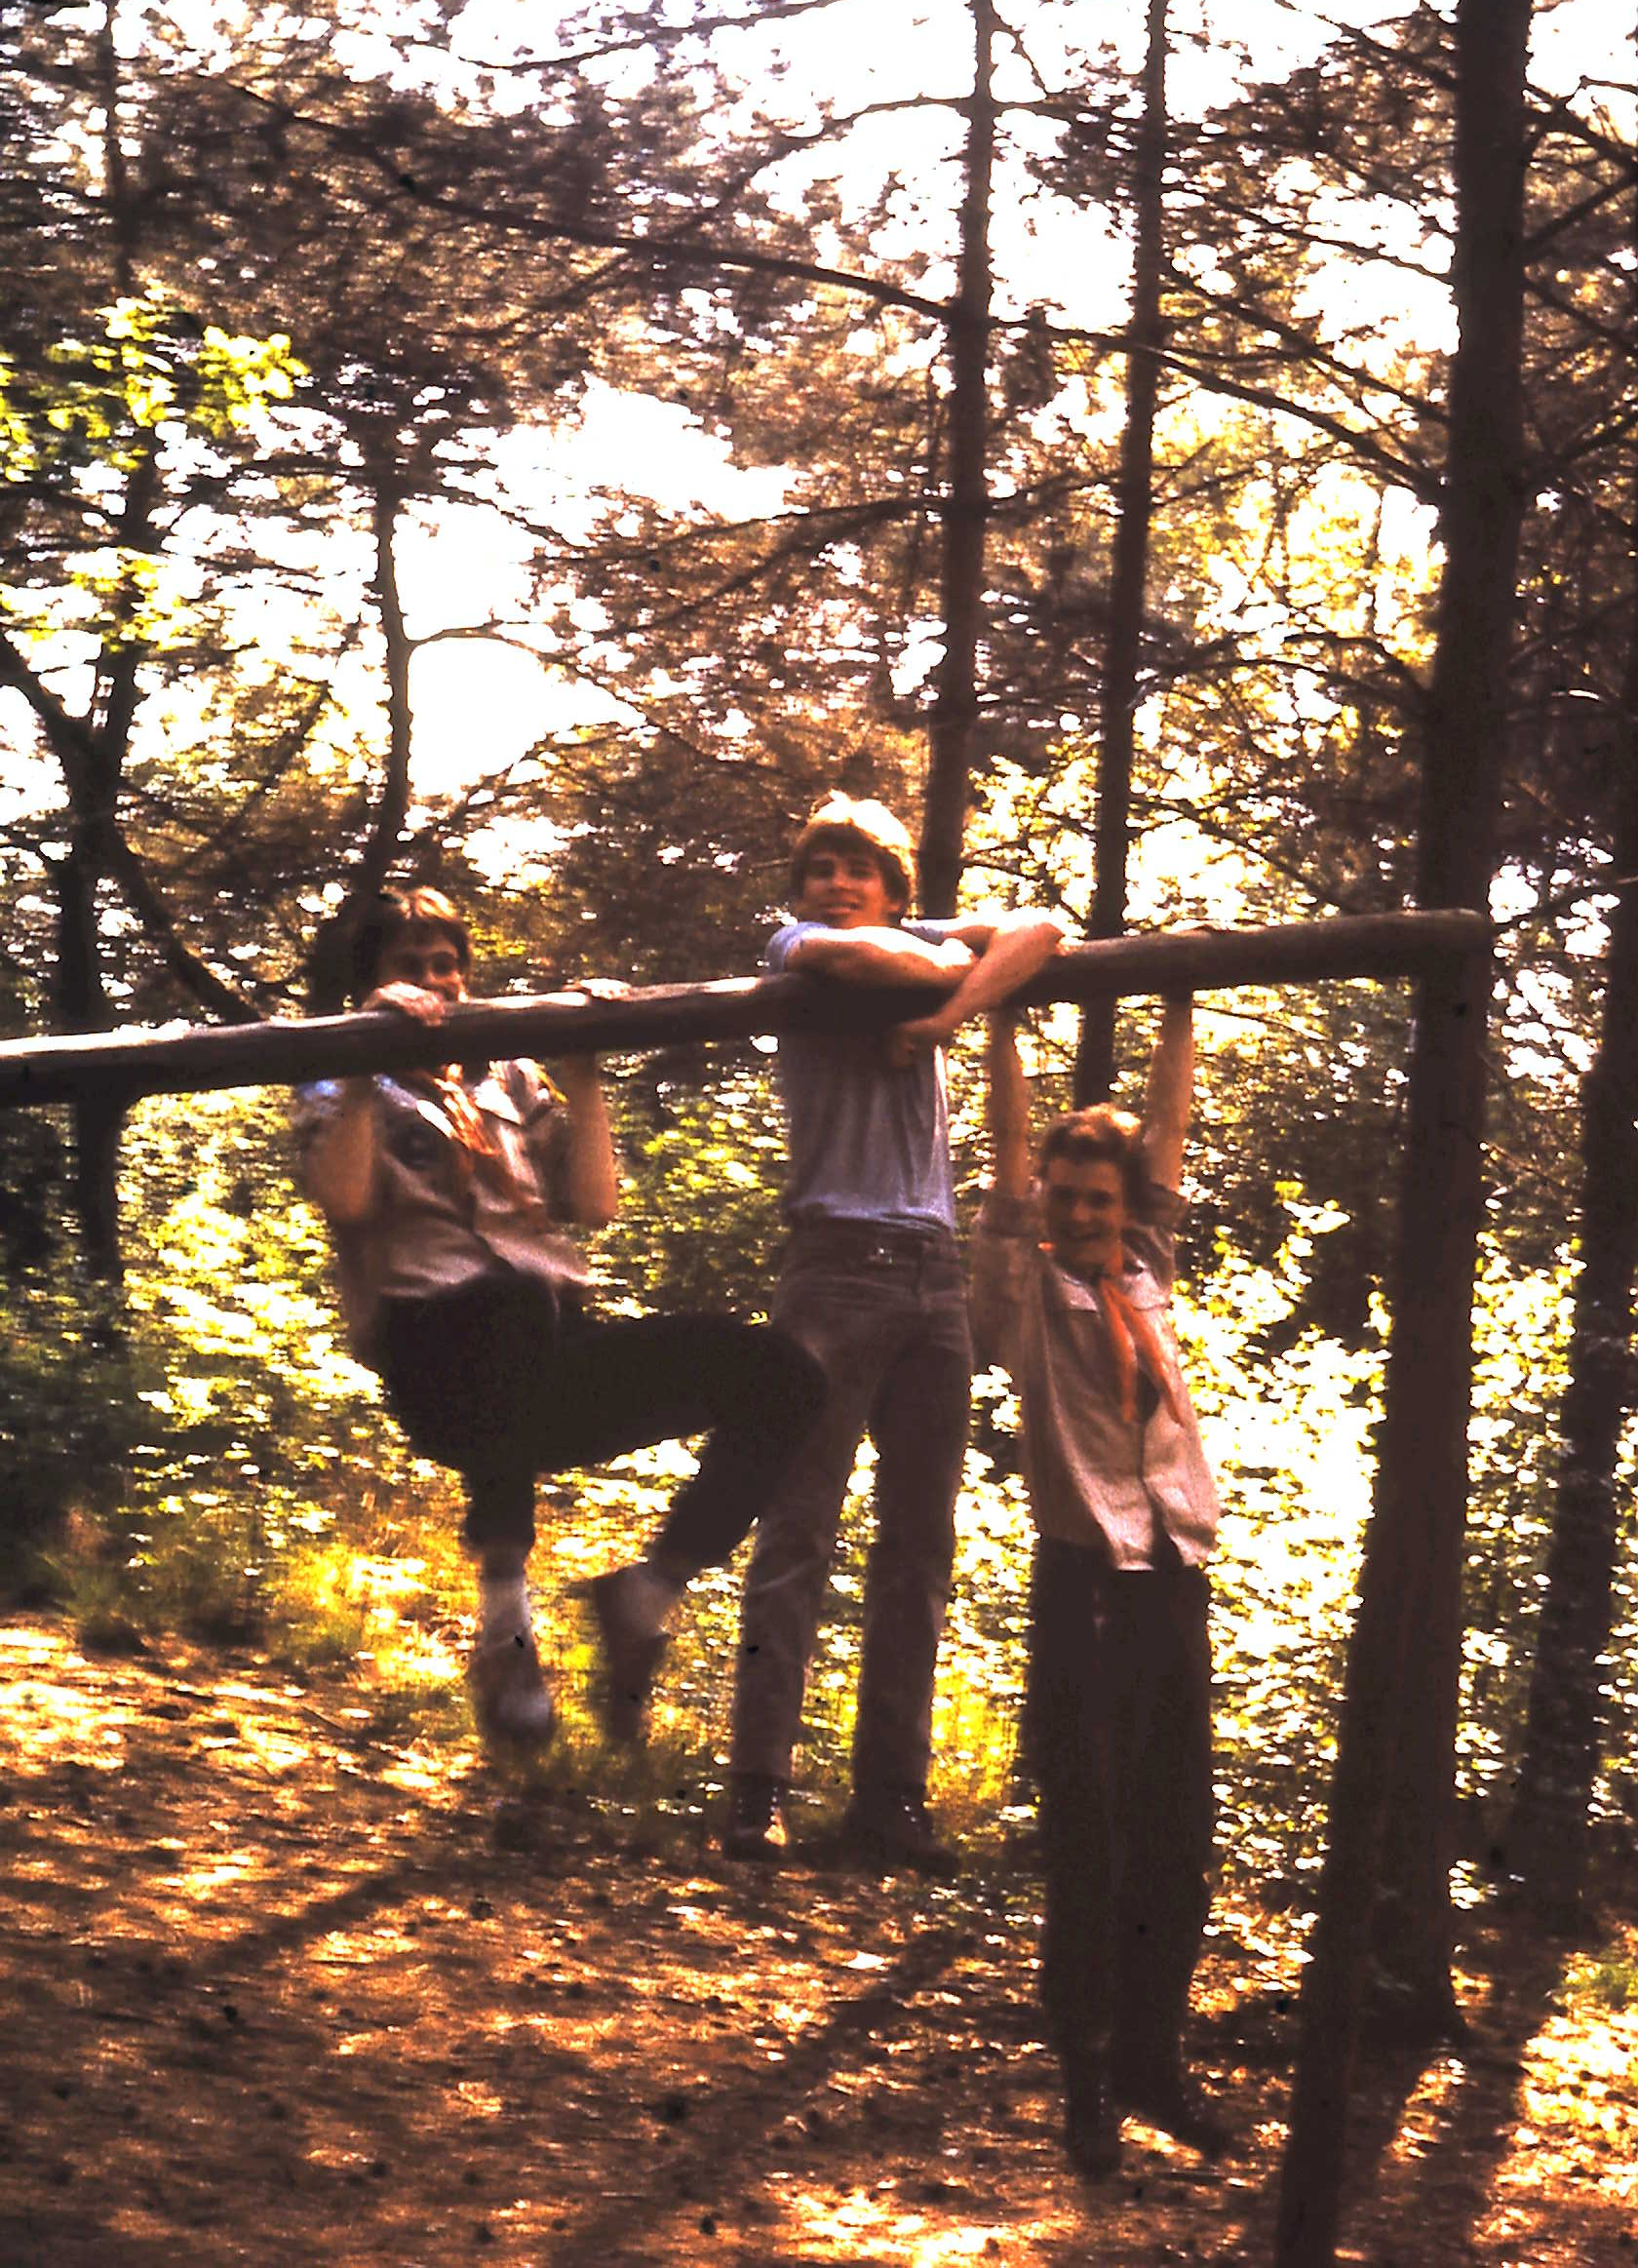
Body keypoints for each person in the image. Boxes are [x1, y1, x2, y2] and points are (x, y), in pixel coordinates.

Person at [292, 883, 827, 1750]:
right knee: (503, 1304)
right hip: (435, 1367)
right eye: (409, 966)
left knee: (785, 1375)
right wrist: (364, 1054)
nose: (434, 982)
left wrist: (584, 1073)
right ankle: (506, 1633)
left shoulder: (505, 1073)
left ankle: (644, 1595)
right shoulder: (338, 1079)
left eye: (447, 965)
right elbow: (347, 1202)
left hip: (547, 1347)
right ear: (371, 982)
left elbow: (595, 1205)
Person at [722, 795, 1063, 1869]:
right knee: (798, 1526)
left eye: (856, 869)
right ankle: (756, 1794)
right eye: (819, 867)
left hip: (933, 1272)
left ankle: (890, 1805)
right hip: (831, 1267)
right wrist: (949, 974)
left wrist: (941, 1019)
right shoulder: (799, 950)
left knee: (919, 1544)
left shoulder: (921, 945)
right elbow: (873, 962)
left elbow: (1043, 929)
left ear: (895, 887)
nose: (834, 884)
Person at [970, 990, 1225, 2175]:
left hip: (1172, 1579)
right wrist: (1001, 1029)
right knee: (1092, 1843)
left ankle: (1153, 2066)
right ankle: (1086, 2085)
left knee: (1179, 1836)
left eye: (1099, 1200)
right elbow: (1008, 1159)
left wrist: (1178, 1007)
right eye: (1065, 1198)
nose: (1079, 1215)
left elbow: (1165, 1141)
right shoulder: (1023, 1291)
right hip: (1083, 1587)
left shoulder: (1148, 1269)